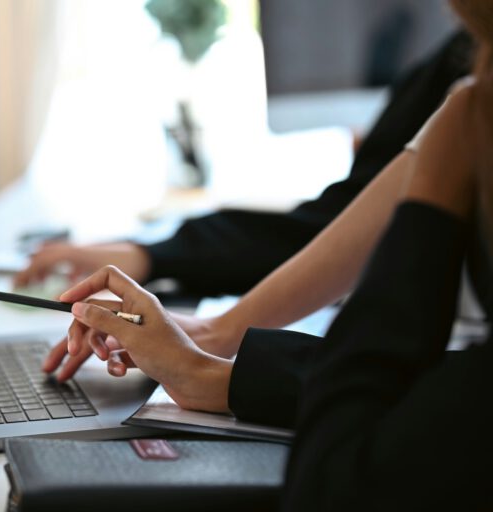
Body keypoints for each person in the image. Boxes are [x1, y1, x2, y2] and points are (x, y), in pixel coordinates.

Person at [58, 0, 493, 507]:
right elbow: (361, 210)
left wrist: (222, 376)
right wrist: (216, 341)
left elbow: (336, 485)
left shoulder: (470, 106)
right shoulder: (469, 97)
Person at [19, 29, 474, 382]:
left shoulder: (467, 89)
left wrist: (220, 379)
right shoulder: (466, 86)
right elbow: (345, 219)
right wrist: (212, 332)